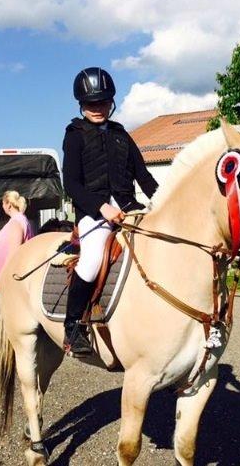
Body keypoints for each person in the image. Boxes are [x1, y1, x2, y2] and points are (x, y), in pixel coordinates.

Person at [61, 67, 159, 357]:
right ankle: (73, 326)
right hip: (94, 213)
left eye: (103, 103)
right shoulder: (75, 135)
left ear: (111, 102)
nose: (98, 109)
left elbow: (144, 176)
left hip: (129, 208)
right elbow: (71, 183)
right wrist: (101, 207)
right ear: (82, 104)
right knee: (91, 260)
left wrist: (161, 200)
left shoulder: (121, 134)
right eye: (92, 104)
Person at [0, 190, 34, 290]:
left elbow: (13, 254)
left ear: (9, 205)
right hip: (11, 281)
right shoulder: (20, 220)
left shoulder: (16, 222)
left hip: (11, 282)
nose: (2, 207)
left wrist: (0, 278)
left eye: (3, 203)